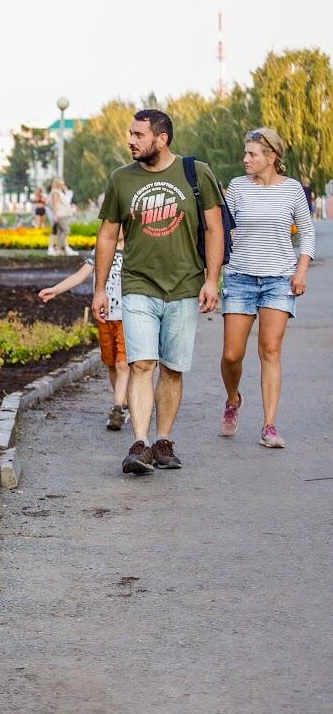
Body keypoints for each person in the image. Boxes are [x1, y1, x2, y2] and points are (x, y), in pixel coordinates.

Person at [92, 108, 224, 475]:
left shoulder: (196, 173)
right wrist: (100, 289)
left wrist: (213, 280)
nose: (130, 141)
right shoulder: (121, 179)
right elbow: (106, 235)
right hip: (137, 284)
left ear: (161, 138)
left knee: (172, 368)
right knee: (141, 364)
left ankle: (163, 440)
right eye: (130, 134)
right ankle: (140, 443)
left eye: (138, 135)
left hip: (184, 286)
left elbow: (214, 229)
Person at [218, 128, 315, 448]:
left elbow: (307, 234)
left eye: (252, 154)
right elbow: (220, 230)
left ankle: (269, 425)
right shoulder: (236, 188)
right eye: (245, 153)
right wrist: (211, 272)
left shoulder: (291, 191)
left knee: (270, 351)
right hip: (240, 277)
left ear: (271, 158)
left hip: (279, 279)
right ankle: (233, 399)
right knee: (232, 355)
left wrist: (300, 271)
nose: (245, 159)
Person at [39, 234, 128, 429]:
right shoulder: (102, 248)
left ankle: (117, 408)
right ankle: (124, 403)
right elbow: (80, 275)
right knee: (112, 364)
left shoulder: (135, 248)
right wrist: (55, 289)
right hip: (104, 316)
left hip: (127, 317)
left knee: (123, 364)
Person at [48, 177, 77, 256]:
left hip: (63, 214)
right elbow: (56, 204)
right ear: (58, 183)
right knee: (66, 230)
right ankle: (58, 248)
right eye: (62, 182)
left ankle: (60, 249)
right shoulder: (55, 192)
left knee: (60, 232)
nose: (63, 183)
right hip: (60, 215)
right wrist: (56, 215)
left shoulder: (59, 191)